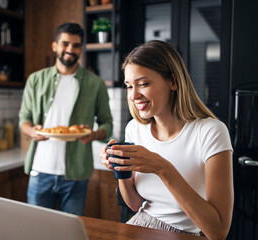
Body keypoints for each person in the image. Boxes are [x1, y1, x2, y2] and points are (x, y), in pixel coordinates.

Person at [100, 40, 233, 239]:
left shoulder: (211, 132)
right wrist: (121, 170)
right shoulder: (135, 129)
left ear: (173, 82)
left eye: (143, 84)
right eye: (129, 86)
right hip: (141, 225)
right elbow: (135, 204)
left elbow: (218, 231)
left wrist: (163, 168)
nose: (134, 95)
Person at [19, 22, 113, 216]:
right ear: (55, 46)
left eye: (76, 45)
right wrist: (32, 131)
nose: (71, 49)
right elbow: (24, 119)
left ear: (82, 49)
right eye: (65, 43)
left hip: (76, 174)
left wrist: (93, 134)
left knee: (70, 232)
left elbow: (107, 124)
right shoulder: (35, 80)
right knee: (35, 231)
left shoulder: (95, 84)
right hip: (40, 170)